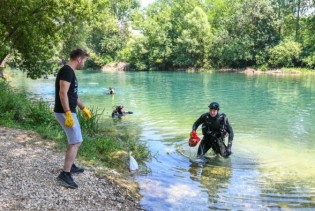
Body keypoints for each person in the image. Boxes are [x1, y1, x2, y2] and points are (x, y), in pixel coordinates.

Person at [54, 48, 91, 189]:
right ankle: (65, 174)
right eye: (85, 60)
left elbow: (73, 95)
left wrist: (83, 108)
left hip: (68, 111)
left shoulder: (70, 72)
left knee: (74, 140)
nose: (84, 64)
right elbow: (62, 93)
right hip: (64, 111)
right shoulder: (67, 71)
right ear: (79, 59)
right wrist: (68, 112)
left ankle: (71, 165)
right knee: (76, 141)